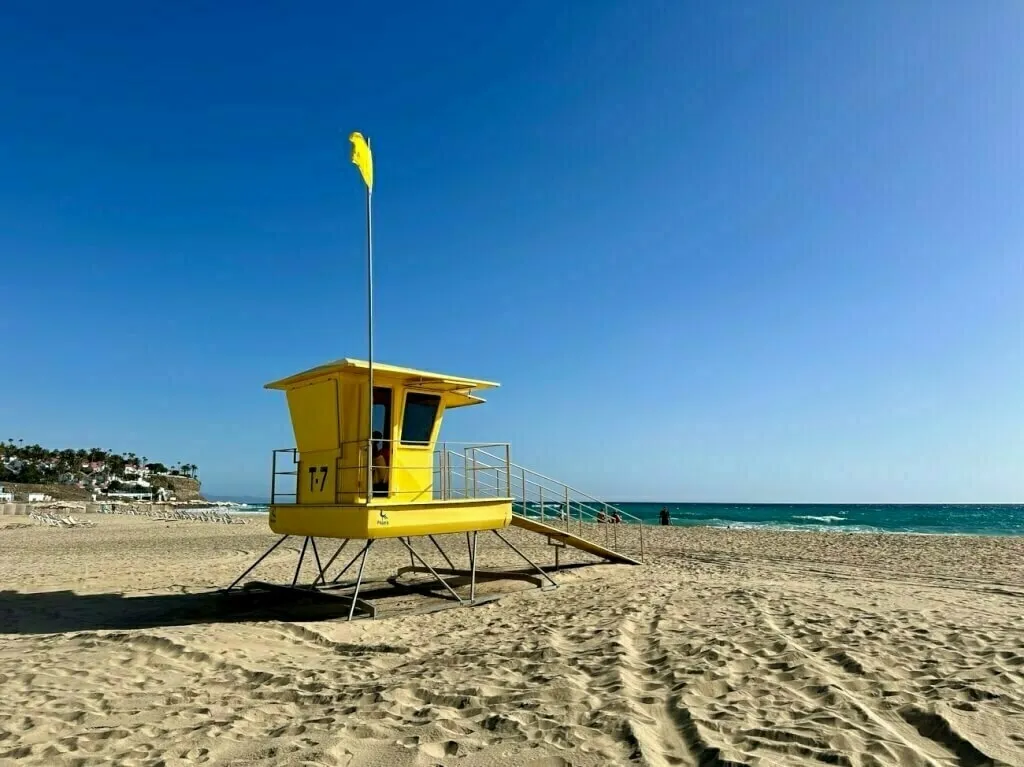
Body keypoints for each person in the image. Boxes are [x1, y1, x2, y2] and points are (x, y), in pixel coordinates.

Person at [372, 430, 389, 496]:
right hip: (382, 475)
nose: (379, 440)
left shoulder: (378, 450)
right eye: (379, 438)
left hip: (376, 472)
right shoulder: (385, 452)